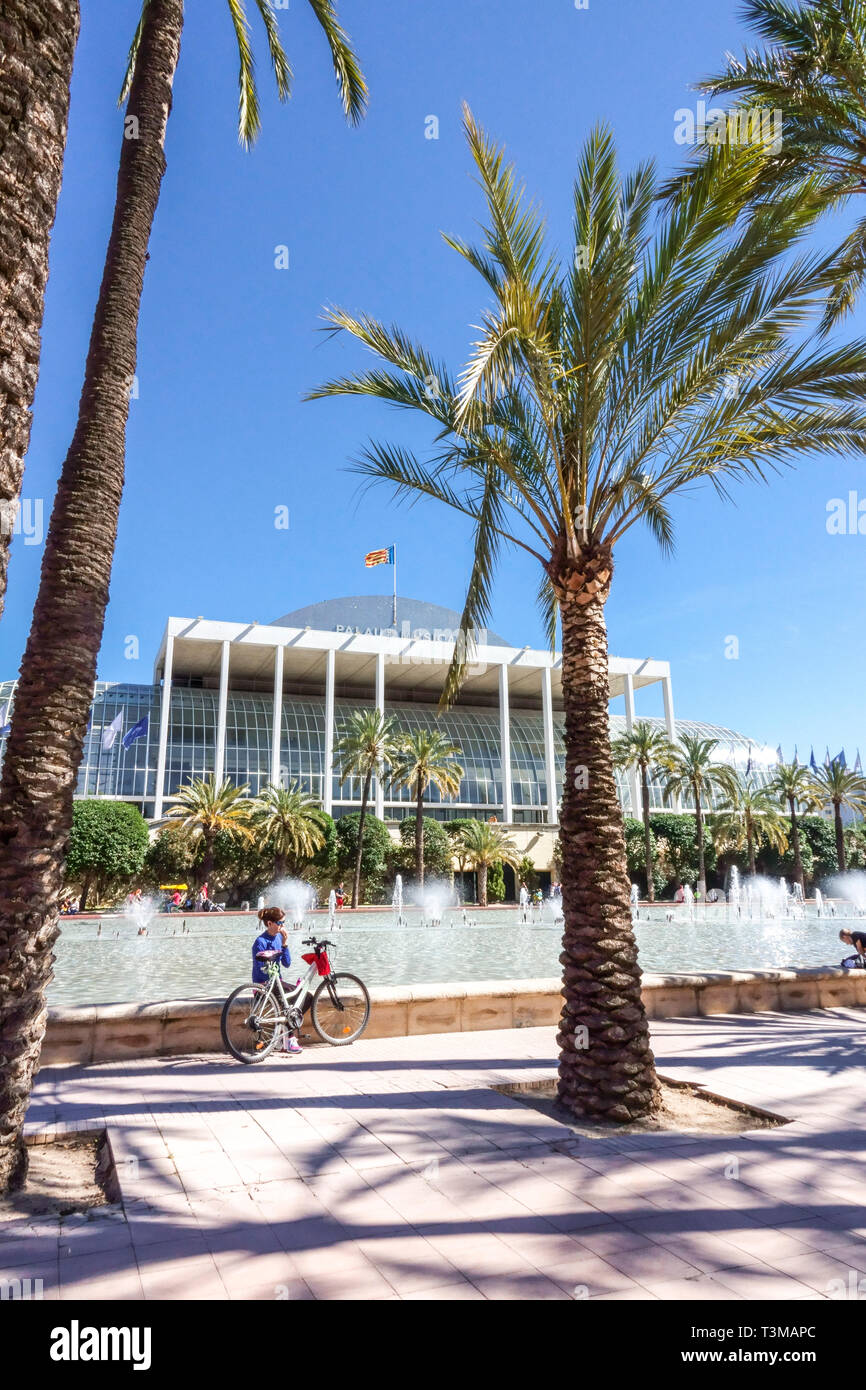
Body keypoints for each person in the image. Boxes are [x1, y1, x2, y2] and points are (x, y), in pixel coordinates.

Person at [252, 907, 301, 1055]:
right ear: (269, 923)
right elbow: (261, 971)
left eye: (284, 923)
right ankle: (290, 1039)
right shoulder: (260, 942)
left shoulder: (280, 938)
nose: (282, 926)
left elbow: (287, 963)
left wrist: (285, 943)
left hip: (277, 982)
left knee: (304, 997)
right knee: (284, 1000)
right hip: (263, 986)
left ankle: (283, 1035)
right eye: (280, 923)